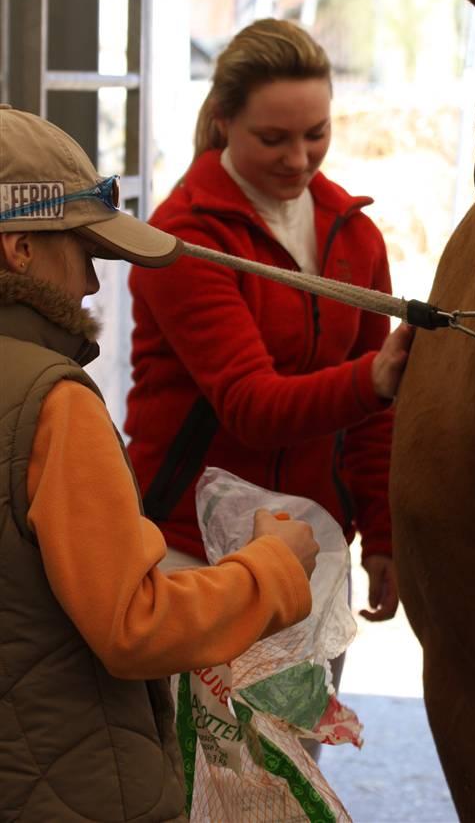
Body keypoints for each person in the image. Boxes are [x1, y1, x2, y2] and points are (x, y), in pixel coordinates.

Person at [0, 105, 319, 822]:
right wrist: (273, 567)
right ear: (19, 249)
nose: (89, 281)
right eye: (81, 248)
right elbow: (132, 626)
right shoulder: (52, 402)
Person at [126, 18, 412, 626]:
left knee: (309, 726)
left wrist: (383, 535)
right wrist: (375, 377)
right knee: (203, 727)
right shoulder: (182, 239)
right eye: (273, 138)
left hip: (312, 546)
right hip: (189, 549)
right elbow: (252, 407)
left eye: (316, 133)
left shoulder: (354, 234)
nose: (299, 159)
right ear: (223, 121)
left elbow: (372, 422)